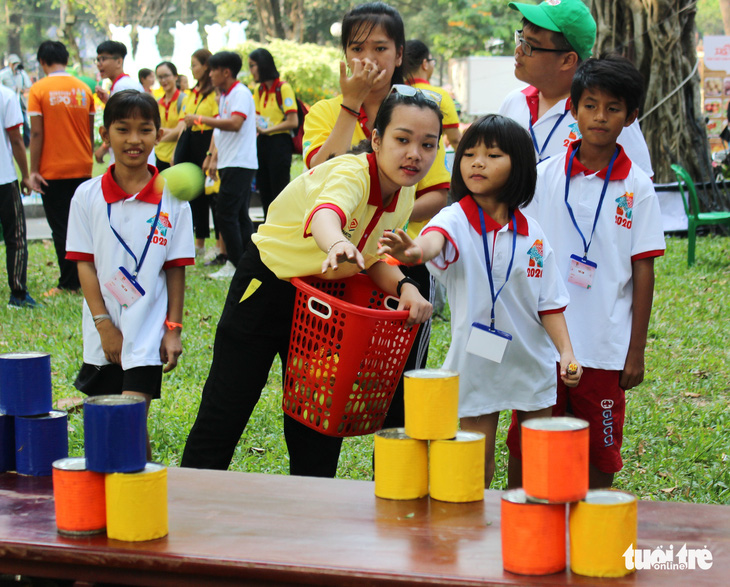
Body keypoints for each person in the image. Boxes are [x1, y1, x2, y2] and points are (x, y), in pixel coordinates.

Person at [181, 89, 441, 478]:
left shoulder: (403, 195)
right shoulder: (351, 171)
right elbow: (326, 214)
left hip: (323, 303)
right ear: (376, 139)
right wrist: (337, 243)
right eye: (402, 140)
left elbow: (370, 260)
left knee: (318, 416)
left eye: (427, 144)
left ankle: (315, 514)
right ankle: (192, 498)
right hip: (267, 284)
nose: (414, 154)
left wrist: (405, 285)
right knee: (227, 404)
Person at [379, 114, 581, 487]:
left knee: (538, 458)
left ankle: (530, 527)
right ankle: (473, 534)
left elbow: (549, 303)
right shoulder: (454, 219)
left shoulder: (533, 233)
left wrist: (566, 352)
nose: (476, 162)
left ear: (518, 165)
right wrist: (413, 252)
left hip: (532, 361)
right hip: (477, 360)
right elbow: (432, 242)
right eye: (469, 153)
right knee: (477, 461)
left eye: (492, 154)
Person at [506, 55, 666, 489]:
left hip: (604, 348)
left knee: (601, 444)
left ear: (631, 117)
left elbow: (643, 269)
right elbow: (520, 250)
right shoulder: (544, 176)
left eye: (613, 108)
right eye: (590, 105)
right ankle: (518, 522)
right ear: (573, 109)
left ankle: (591, 530)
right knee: (527, 437)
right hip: (544, 344)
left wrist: (636, 352)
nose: (600, 117)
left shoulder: (638, 187)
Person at [303, 1, 451, 432]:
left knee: (398, 380)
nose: (368, 59)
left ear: (400, 53)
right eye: (357, 47)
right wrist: (350, 105)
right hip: (333, 264)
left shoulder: (422, 110)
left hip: (395, 260)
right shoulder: (327, 112)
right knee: (325, 380)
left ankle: (396, 463)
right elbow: (319, 177)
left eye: (381, 48)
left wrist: (390, 225)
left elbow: (439, 193)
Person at [65, 90, 195, 458]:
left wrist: (173, 329)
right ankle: (123, 504)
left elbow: (176, 269)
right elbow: (84, 263)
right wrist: (105, 325)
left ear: (159, 135)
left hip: (148, 332)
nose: (134, 140)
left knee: (129, 421)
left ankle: (140, 506)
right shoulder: (87, 196)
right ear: (106, 136)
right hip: (102, 334)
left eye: (145, 129)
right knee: (110, 432)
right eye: (123, 129)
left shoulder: (174, 198)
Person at [499, 0, 653, 176]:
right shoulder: (514, 102)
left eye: (529, 46)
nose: (518, 51)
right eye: (521, 39)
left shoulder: (605, 114)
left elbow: (638, 183)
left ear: (567, 60)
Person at [28, 40, 95, 297]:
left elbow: (36, 133)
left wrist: (33, 170)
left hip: (53, 169)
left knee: (61, 228)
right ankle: (86, 278)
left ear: (42, 62)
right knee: (82, 226)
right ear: (66, 59)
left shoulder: (39, 89)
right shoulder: (83, 88)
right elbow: (89, 132)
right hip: (82, 166)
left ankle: (69, 283)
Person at [183, 51, 257, 280]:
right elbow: (220, 130)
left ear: (226, 72)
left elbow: (235, 123)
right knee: (239, 215)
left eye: (213, 70)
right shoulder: (224, 96)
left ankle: (235, 264)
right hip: (230, 162)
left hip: (239, 162)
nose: (210, 74)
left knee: (225, 214)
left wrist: (199, 119)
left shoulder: (240, 93)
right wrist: (212, 156)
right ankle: (248, 261)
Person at [173, 48, 219, 260]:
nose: (192, 70)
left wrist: (211, 153)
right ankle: (197, 242)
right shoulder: (191, 93)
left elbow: (216, 123)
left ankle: (218, 244)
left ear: (206, 66)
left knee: (210, 193)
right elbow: (185, 122)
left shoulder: (215, 94)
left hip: (206, 142)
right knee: (192, 195)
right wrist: (176, 150)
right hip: (189, 142)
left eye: (195, 65)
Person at [249, 48, 299, 219]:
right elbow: (256, 116)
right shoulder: (258, 90)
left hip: (279, 143)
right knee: (264, 189)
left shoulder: (283, 88)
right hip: (262, 142)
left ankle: (283, 228)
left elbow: (293, 121)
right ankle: (267, 228)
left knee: (280, 189)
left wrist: (267, 130)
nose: (251, 71)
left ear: (263, 65)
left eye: (253, 66)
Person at [0, 83, 37, 308]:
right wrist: (26, 175)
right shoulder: (5, 95)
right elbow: (16, 139)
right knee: (16, 236)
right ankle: (18, 294)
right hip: (3, 178)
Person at [94, 41, 149, 165]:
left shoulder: (123, 86)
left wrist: (103, 147)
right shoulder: (121, 85)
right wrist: (109, 101)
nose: (99, 64)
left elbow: (128, 122)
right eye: (97, 60)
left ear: (119, 61)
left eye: (103, 59)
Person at [403, 39, 461, 149]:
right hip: (433, 165)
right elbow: (455, 139)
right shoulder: (439, 95)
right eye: (432, 61)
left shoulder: (394, 93)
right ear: (425, 64)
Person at [153, 61, 184, 172]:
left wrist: (156, 138)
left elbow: (178, 132)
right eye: (160, 77)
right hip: (159, 157)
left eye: (166, 76)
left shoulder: (184, 100)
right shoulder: (158, 103)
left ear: (175, 76)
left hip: (177, 157)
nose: (163, 80)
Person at [0, 54, 32, 147]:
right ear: (10, 64)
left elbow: (28, 86)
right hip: (7, 102)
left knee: (24, 121)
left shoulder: (22, 74)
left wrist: (22, 90)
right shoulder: (4, 74)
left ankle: (26, 142)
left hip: (19, 100)